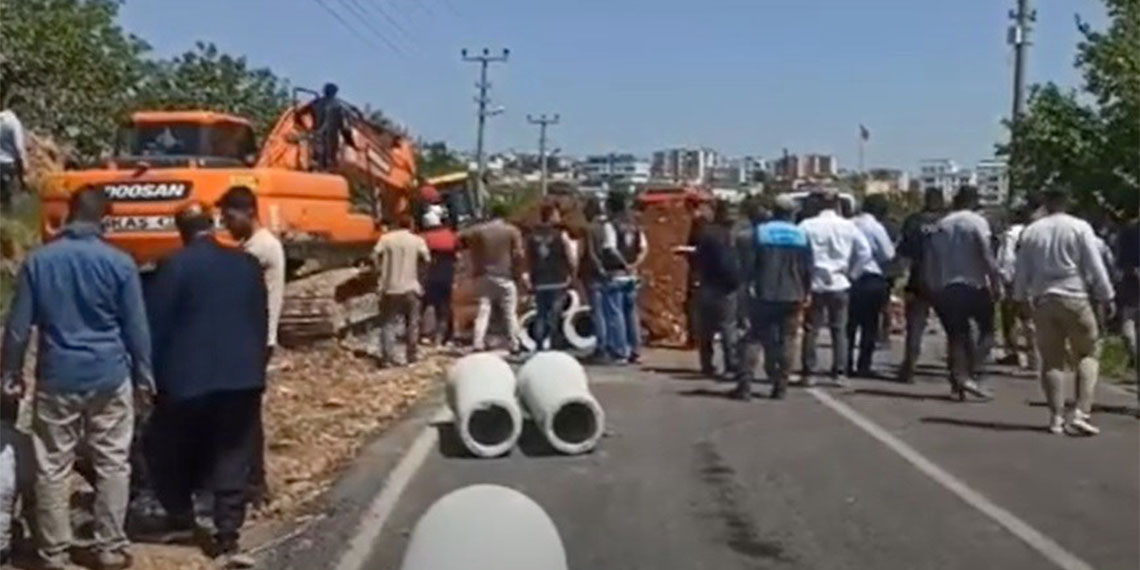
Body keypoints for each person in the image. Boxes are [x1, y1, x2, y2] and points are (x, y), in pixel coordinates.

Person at [1, 187, 154, 570]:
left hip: (57, 375)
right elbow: (136, 328)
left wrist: (11, 372)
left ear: (70, 213)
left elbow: (18, 328)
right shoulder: (120, 263)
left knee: (52, 463)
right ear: (105, 217)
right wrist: (144, 376)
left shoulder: (39, 262)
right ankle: (110, 547)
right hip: (108, 373)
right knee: (112, 460)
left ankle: (54, 552)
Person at [144, 202, 268, 564]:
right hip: (242, 376)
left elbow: (158, 325)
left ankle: (182, 514)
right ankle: (228, 532)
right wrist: (256, 364)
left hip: (187, 379)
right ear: (212, 225)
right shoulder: (245, 264)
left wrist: (152, 374)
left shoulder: (172, 266)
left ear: (181, 230)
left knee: (173, 447)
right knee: (233, 450)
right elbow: (258, 317)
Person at [1012, 186, 1115, 435]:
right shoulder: (1079, 227)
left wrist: (1019, 299)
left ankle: (1056, 417)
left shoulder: (1032, 232)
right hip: (1075, 295)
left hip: (1043, 299)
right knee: (1088, 353)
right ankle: (1081, 411)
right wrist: (1106, 295)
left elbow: (1022, 271)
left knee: (1051, 360)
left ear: (1046, 204)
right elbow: (1094, 265)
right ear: (1067, 202)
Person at [216, 186, 284, 509]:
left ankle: (254, 484)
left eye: (230, 217)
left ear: (247, 212)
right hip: (255, 337)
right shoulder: (252, 246)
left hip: (255, 339)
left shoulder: (259, 249)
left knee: (247, 417)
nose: (226, 224)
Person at [927, 185, 1002, 400]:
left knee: (956, 336)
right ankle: (972, 371)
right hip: (974, 284)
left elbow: (932, 257)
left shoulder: (942, 224)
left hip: (947, 285)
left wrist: (934, 285)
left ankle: (958, 381)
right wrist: (995, 282)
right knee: (987, 331)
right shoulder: (976, 222)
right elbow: (986, 253)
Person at [736, 195, 813, 400]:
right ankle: (781, 386)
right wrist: (807, 292)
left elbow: (749, 267)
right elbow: (808, 269)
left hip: (764, 293)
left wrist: (747, 290)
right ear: (792, 213)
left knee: (753, 338)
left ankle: (745, 385)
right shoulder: (801, 235)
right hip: (793, 294)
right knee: (787, 340)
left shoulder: (760, 233)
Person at [798, 187, 872, 386]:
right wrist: (853, 273)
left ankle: (809, 372)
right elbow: (865, 253)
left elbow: (798, 253)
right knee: (839, 330)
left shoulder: (807, 225)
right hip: (840, 282)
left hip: (815, 282)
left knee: (811, 329)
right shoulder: (848, 226)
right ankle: (840, 371)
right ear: (838, 205)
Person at [461, 201, 525, 353]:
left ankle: (478, 342)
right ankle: (514, 343)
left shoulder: (480, 231)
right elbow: (518, 254)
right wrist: (519, 272)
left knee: (483, 310)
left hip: (484, 274)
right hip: (504, 275)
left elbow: (462, 235)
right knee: (510, 313)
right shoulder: (511, 231)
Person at [897, 188, 946, 383]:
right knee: (954, 329)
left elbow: (904, 252)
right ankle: (957, 372)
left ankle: (909, 367)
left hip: (918, 278)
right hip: (945, 280)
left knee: (915, 327)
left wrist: (903, 278)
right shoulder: (949, 222)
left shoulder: (914, 221)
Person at [692, 200, 743, 378]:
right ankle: (732, 364)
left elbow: (699, 258)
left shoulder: (708, 234)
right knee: (728, 327)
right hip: (729, 286)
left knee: (706, 329)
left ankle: (707, 365)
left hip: (708, 284)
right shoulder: (737, 235)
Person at [847, 194, 896, 377]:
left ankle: (845, 362)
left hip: (850, 278)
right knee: (870, 325)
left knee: (850, 325)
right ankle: (863, 365)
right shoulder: (875, 227)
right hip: (872, 279)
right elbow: (888, 254)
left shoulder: (849, 223)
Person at [373, 214, 431, 366]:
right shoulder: (417, 240)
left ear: (397, 224)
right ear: (411, 225)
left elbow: (374, 255)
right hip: (411, 287)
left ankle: (387, 358)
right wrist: (421, 278)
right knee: (412, 323)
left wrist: (379, 272)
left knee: (388, 323)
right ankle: (411, 356)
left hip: (390, 287)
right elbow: (426, 259)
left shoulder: (386, 239)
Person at [524, 203, 577, 352]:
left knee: (541, 313)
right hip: (558, 279)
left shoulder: (532, 237)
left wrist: (529, 277)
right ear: (552, 215)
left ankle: (540, 343)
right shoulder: (561, 235)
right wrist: (572, 274)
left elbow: (528, 258)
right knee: (555, 314)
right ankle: (554, 343)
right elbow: (570, 256)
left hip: (539, 280)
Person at [606, 192, 648, 363]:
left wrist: (624, 264)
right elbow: (644, 248)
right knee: (631, 313)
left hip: (616, 274)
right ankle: (636, 349)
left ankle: (621, 350)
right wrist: (635, 265)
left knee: (616, 314)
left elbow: (611, 248)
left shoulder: (611, 226)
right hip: (633, 276)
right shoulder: (635, 226)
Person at [995, 205, 1037, 368]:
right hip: (1037, 280)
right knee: (1031, 319)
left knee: (1011, 318)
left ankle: (1013, 352)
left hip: (1015, 279)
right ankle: (1035, 355)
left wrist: (1005, 280)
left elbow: (1007, 259)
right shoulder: (1037, 231)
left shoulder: (1011, 234)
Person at [295, 82, 355, 170]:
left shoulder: (315, 103)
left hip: (316, 137)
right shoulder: (339, 107)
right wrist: (351, 142)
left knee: (315, 161)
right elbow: (345, 129)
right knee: (329, 165)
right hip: (331, 141)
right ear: (335, 93)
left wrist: (303, 127)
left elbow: (298, 113)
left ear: (324, 91)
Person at [420, 209, 459, 346]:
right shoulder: (451, 236)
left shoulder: (423, 238)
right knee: (446, 307)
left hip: (430, 276)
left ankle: (426, 335)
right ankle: (447, 337)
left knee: (428, 306)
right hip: (448, 275)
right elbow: (458, 254)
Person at [1115, 194, 1139, 371]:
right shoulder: (1128, 231)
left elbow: (1120, 261)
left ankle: (1135, 357)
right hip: (1132, 285)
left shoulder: (1128, 231)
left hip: (1132, 285)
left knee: (1128, 325)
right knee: (1128, 327)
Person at [0, 103, 27, 212]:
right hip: (8, 163)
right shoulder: (14, 123)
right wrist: (24, 165)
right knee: (9, 196)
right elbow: (19, 147)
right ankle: (8, 218)